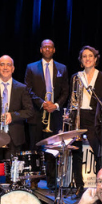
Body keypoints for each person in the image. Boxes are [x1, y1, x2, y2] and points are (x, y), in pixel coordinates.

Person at [25, 40, 70, 188]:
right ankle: (34, 180)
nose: (47, 49)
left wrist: (55, 105)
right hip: (37, 114)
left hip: (55, 115)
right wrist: (42, 103)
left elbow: (65, 91)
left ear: (54, 49)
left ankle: (51, 182)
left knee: (52, 150)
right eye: (45, 47)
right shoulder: (31, 67)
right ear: (41, 49)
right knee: (35, 148)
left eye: (50, 47)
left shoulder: (62, 68)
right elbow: (28, 90)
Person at [71, 46, 102, 190]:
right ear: (81, 60)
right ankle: (79, 187)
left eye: (90, 56)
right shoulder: (75, 77)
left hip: (95, 117)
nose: (87, 59)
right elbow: (73, 99)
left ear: (95, 59)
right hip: (79, 116)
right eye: (84, 56)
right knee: (77, 153)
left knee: (99, 152)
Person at [0, 55, 36, 159]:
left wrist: (13, 115)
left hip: (15, 137)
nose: (5, 68)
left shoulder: (22, 88)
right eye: (2, 64)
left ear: (13, 69)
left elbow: (30, 111)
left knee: (12, 172)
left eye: (8, 65)